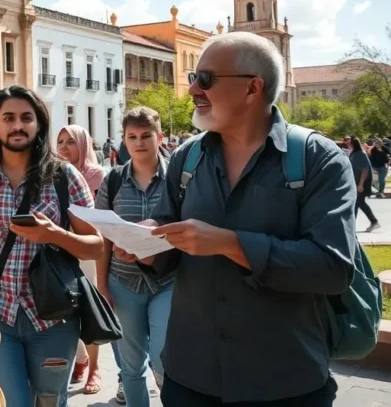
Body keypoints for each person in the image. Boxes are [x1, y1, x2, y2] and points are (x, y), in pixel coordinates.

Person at [116, 32, 354, 406]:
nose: (192, 88)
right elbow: (168, 243)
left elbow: (332, 268)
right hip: (190, 377)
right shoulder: (187, 158)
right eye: (194, 76)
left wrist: (229, 243)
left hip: (284, 381)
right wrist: (143, 245)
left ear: (252, 88)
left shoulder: (316, 158)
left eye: (205, 78)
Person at [0, 85, 104, 407]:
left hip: (54, 316)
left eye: (26, 118)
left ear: (38, 124)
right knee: (11, 402)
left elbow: (95, 246)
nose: (17, 126)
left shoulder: (64, 176)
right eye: (8, 118)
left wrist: (54, 234)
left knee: (51, 401)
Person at [95, 107, 172, 407]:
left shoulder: (177, 178)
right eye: (132, 137)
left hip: (167, 282)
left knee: (165, 359)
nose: (139, 142)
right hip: (123, 283)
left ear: (159, 137)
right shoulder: (112, 180)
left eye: (146, 135)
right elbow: (102, 237)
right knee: (130, 365)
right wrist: (102, 286)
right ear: (124, 141)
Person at [55, 124, 107, 396]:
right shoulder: (52, 175)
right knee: (64, 307)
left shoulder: (97, 176)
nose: (63, 147)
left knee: (88, 310)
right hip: (62, 249)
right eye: (60, 141)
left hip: (88, 249)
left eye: (70, 142)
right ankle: (81, 357)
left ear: (83, 145)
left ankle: (95, 367)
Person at [349, 136, 379, 231]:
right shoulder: (355, 154)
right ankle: (373, 221)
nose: (348, 144)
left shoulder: (360, 154)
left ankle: (352, 226)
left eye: (349, 142)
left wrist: (361, 184)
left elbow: (365, 170)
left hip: (362, 183)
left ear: (353, 144)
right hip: (357, 183)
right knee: (359, 203)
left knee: (358, 202)